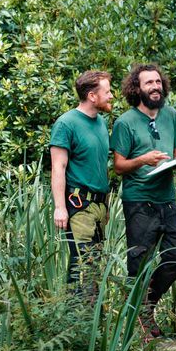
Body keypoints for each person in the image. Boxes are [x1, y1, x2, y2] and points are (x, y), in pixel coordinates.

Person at [110, 64, 176, 338]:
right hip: (139, 202)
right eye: (148, 83)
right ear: (137, 89)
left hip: (167, 200)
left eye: (158, 82)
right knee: (138, 263)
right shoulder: (125, 122)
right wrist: (144, 160)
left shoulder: (172, 116)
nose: (155, 87)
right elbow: (119, 166)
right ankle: (138, 321)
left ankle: (147, 304)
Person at [50, 70, 114, 292]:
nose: (111, 96)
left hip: (99, 205)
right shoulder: (66, 123)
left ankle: (87, 318)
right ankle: (78, 318)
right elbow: (58, 166)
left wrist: (105, 205)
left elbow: (99, 166)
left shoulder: (102, 124)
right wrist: (60, 208)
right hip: (79, 205)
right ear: (92, 96)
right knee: (84, 265)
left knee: (94, 265)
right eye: (107, 92)